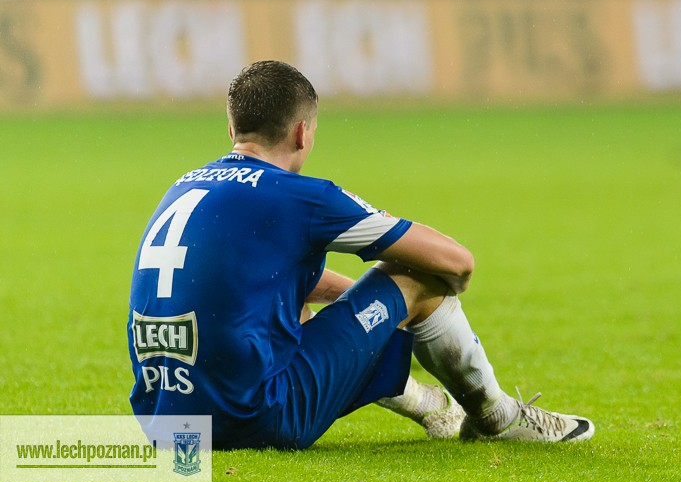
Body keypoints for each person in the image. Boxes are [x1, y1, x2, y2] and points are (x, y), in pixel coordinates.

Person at [127, 61, 594, 449]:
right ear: (302, 133)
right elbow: (457, 261)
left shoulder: (184, 185)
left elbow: (249, 281)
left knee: (290, 299)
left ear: (232, 128)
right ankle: (497, 417)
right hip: (251, 422)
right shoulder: (301, 197)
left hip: (164, 421)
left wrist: (359, 307)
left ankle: (427, 405)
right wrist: (395, 308)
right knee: (418, 277)